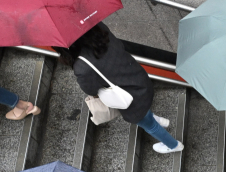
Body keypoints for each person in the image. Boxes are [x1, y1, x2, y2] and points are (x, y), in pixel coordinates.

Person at [54, 24, 183, 154]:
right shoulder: (98, 29)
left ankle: (173, 145)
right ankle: (156, 119)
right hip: (138, 77)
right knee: (146, 114)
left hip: (131, 97)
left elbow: (90, 89)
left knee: (150, 126)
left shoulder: (82, 67)